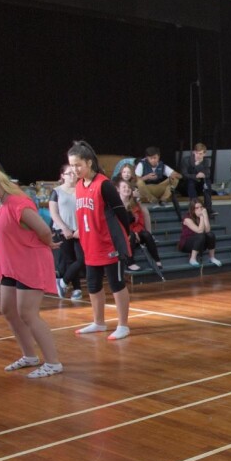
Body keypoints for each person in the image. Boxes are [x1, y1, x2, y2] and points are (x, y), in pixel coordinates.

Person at [0, 161, 64, 378]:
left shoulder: (17, 203)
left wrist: (48, 243)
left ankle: (53, 362)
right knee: (8, 310)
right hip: (10, 265)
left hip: (30, 261)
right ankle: (29, 355)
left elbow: (42, 229)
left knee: (28, 313)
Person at [68, 141, 133, 340]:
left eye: (78, 165)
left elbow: (121, 212)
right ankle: (99, 322)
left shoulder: (103, 184)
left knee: (116, 283)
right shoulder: (79, 185)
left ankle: (123, 325)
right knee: (93, 284)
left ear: (89, 163)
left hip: (110, 243)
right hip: (90, 244)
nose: (74, 169)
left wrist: (126, 234)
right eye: (71, 165)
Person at [48, 164, 85, 301]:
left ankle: (63, 282)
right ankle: (77, 289)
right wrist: (64, 228)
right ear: (62, 176)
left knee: (82, 259)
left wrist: (80, 229)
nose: (72, 175)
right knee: (70, 260)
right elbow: (54, 212)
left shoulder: (81, 190)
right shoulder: (56, 192)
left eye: (74, 173)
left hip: (79, 230)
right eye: (69, 173)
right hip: (62, 231)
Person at [117, 179, 162, 274]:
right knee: (131, 235)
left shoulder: (135, 205)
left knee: (146, 234)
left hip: (135, 233)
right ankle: (130, 263)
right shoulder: (116, 206)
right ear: (118, 189)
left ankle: (156, 260)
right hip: (122, 235)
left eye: (128, 187)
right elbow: (118, 224)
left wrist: (137, 232)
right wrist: (132, 233)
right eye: (124, 187)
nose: (127, 189)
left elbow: (140, 222)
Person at [134, 146, 181, 215]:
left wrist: (173, 175)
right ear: (147, 158)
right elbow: (136, 182)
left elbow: (179, 175)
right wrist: (147, 177)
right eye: (151, 158)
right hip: (146, 189)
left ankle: (163, 199)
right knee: (139, 182)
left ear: (158, 157)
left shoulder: (162, 165)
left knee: (175, 179)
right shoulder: (141, 164)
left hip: (159, 187)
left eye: (155, 158)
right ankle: (153, 200)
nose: (153, 160)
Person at [179, 198, 222, 267]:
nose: (200, 209)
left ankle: (212, 257)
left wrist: (205, 216)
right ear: (192, 209)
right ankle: (192, 259)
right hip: (187, 243)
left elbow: (207, 230)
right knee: (200, 235)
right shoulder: (187, 219)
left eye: (201, 207)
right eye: (197, 208)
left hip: (199, 242)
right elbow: (199, 231)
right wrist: (202, 217)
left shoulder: (201, 215)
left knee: (211, 235)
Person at [180, 142, 215, 215]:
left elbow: (207, 174)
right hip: (187, 185)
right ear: (193, 152)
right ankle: (195, 207)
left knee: (207, 183)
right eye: (197, 153)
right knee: (191, 182)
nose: (198, 155)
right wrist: (196, 175)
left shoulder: (206, 161)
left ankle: (209, 209)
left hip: (200, 184)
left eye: (201, 154)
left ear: (204, 154)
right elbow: (184, 175)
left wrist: (200, 169)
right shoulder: (186, 160)